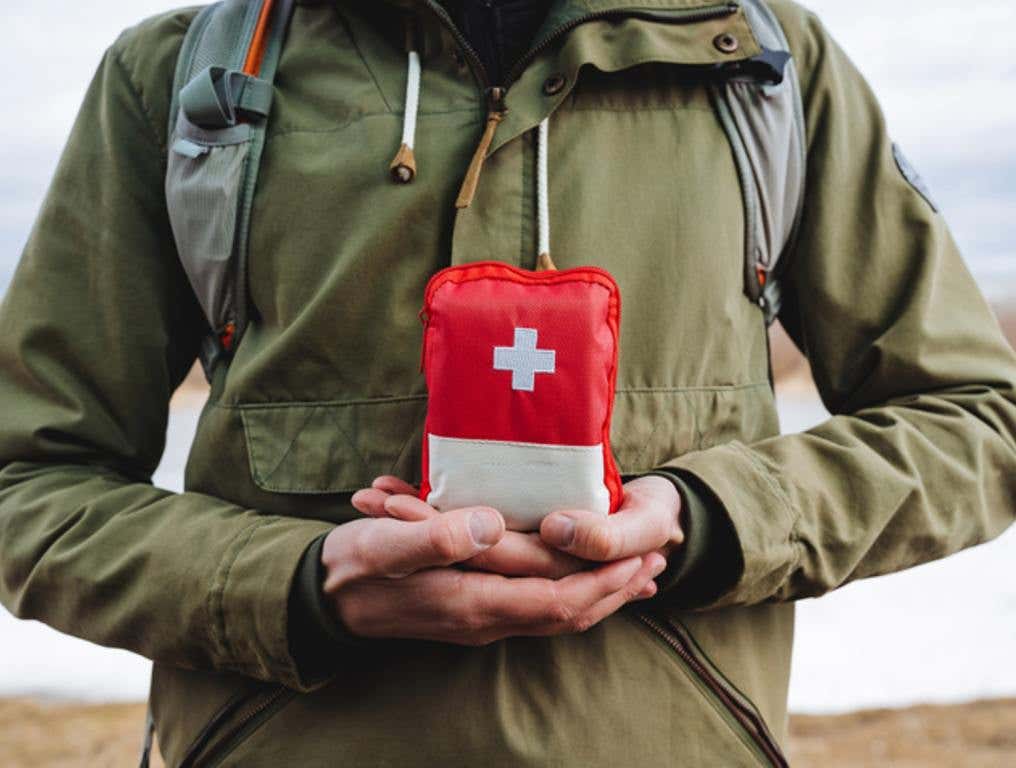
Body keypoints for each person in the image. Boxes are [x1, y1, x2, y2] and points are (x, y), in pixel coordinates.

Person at [1, 0, 1014, 765]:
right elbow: (26, 486)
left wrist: (704, 519)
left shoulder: (759, 64)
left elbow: (976, 423)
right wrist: (298, 588)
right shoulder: (183, 80)